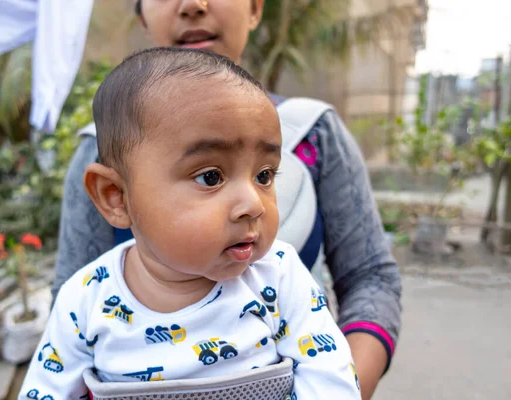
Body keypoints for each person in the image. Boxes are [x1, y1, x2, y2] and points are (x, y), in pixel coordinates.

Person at [52, 1, 401, 398]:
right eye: (210, 177)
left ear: (255, 9)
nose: (193, 5)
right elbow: (61, 352)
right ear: (114, 196)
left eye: (266, 175)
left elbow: (370, 277)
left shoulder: (313, 134)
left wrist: (339, 383)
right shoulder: (99, 156)